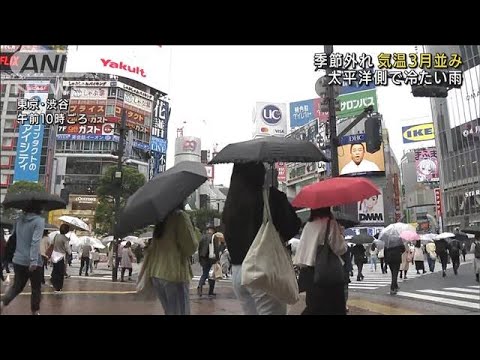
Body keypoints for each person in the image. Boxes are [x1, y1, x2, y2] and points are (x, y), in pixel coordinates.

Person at [222, 162, 300, 315]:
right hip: (262, 270)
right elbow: (292, 227)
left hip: (238, 272)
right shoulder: (271, 197)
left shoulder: (230, 204)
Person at [142, 204, 198, 315]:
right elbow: (191, 247)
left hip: (157, 273)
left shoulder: (161, 218)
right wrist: (194, 230)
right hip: (174, 272)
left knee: (169, 311)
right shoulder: (180, 216)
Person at [295, 208, 347, 315]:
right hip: (327, 273)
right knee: (335, 308)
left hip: (309, 274)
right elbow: (340, 249)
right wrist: (341, 235)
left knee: (314, 306)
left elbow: (302, 251)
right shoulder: (330, 223)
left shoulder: (308, 225)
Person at [0, 203, 45, 315]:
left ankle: (3, 303)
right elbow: (35, 242)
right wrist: (34, 260)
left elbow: (14, 238)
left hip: (18, 259)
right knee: (35, 288)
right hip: (33, 261)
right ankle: (35, 311)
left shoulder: (19, 220)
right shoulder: (39, 221)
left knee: (17, 286)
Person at [197, 225, 220, 297]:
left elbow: (199, 248)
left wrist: (200, 259)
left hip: (203, 258)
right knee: (212, 275)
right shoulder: (214, 237)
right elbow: (216, 249)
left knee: (205, 273)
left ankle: (200, 285)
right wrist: (217, 259)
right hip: (211, 259)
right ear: (213, 230)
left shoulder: (203, 237)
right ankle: (210, 291)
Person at [50, 224, 72, 292]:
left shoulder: (56, 236)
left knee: (55, 271)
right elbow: (68, 249)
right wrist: (70, 252)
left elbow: (52, 243)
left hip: (54, 255)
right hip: (61, 256)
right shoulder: (65, 239)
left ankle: (54, 283)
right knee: (60, 272)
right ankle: (58, 287)